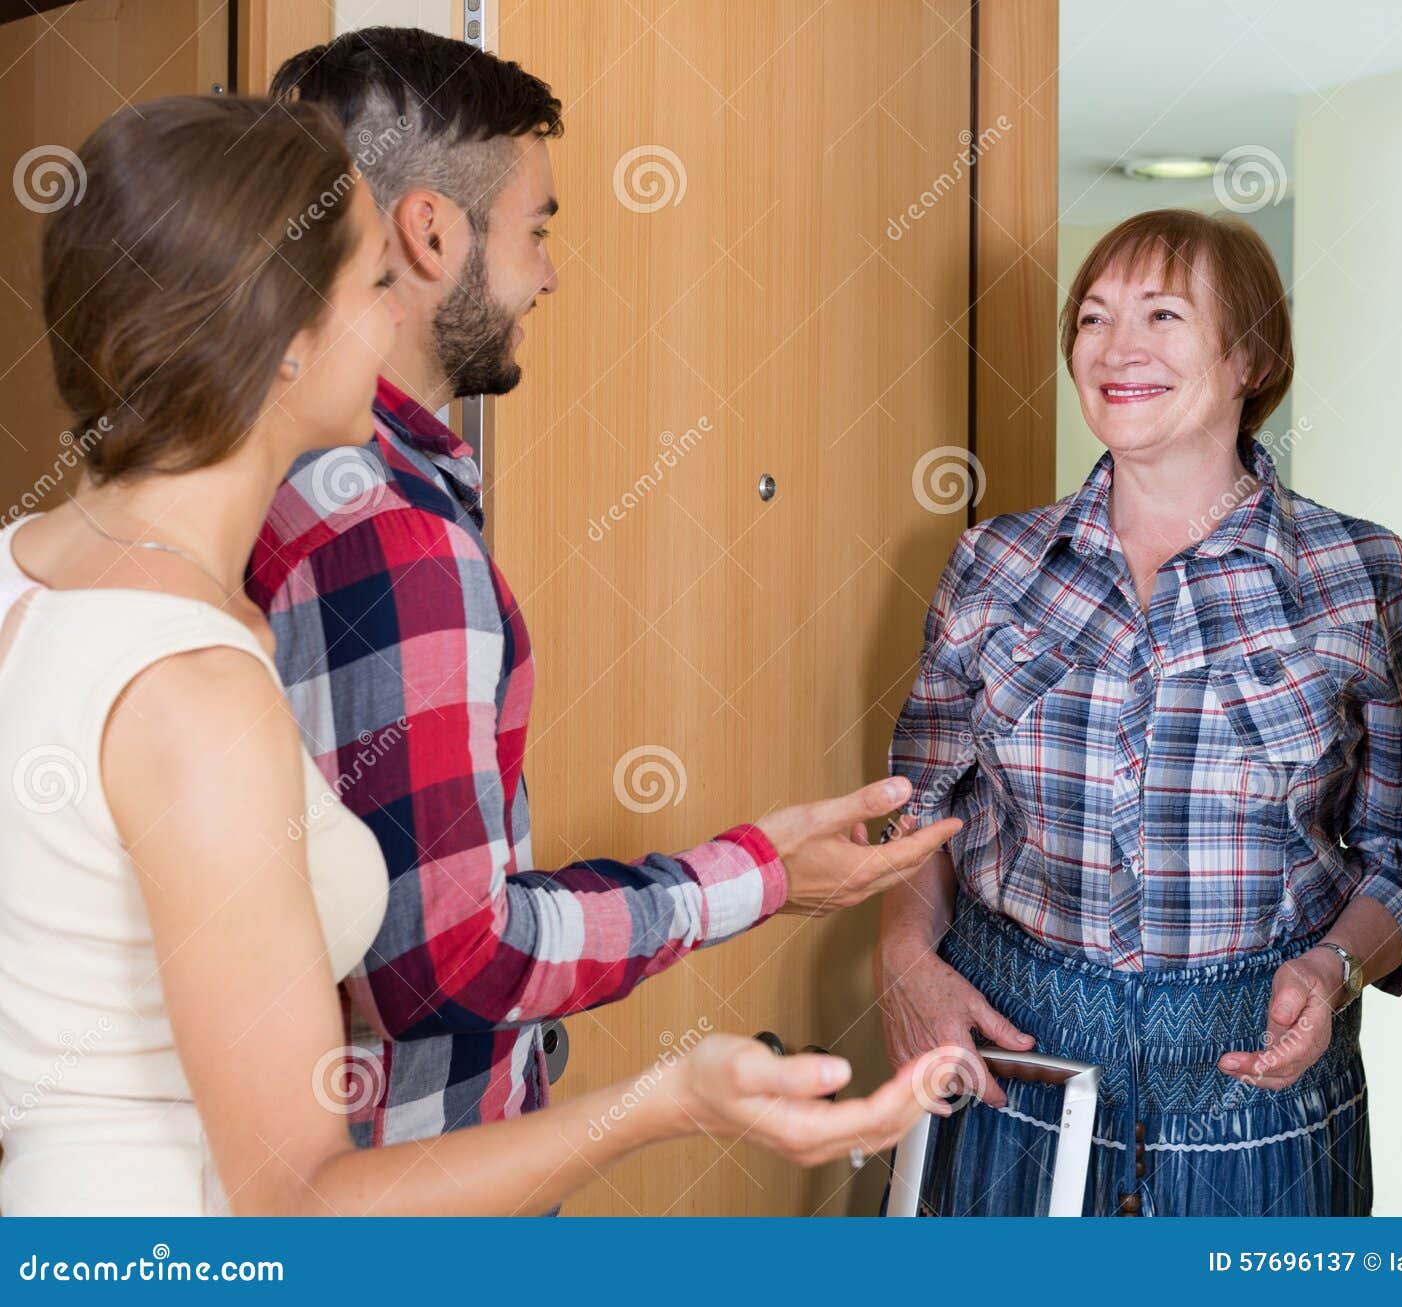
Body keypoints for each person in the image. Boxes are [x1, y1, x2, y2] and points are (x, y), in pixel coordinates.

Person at [0, 94, 960, 1217]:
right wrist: (664, 1099)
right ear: (287, 340)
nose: (395, 315)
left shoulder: (28, 574)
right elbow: (303, 1203)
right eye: (371, 285)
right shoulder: (194, 689)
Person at [246, 27, 958, 1152]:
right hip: (421, 1195)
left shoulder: (285, 473)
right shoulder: (390, 531)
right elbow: (443, 967)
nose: (548, 272)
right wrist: (756, 877)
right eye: (535, 229)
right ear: (431, 232)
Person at [875, 208, 1402, 1216]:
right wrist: (902, 954)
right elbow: (919, 807)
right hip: (1009, 1071)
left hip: (1260, 1100)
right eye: (1092, 318)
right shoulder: (993, 564)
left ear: (1252, 355)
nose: (1115, 347)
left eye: (1162, 314)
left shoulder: (1367, 579)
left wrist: (1335, 966)